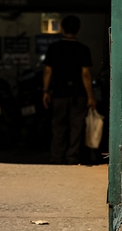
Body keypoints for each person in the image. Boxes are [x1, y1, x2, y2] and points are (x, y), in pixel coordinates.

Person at [42, 15, 97, 165]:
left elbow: (48, 71)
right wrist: (90, 96)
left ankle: (57, 157)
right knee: (76, 127)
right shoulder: (83, 49)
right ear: (78, 29)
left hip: (59, 94)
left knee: (58, 127)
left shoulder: (53, 48)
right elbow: (85, 74)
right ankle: (72, 157)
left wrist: (46, 91)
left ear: (62, 28)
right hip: (78, 95)